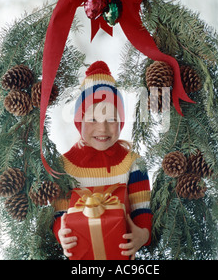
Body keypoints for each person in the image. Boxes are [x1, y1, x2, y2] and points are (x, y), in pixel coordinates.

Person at [52, 61, 152, 259]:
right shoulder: (64, 167)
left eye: (112, 119)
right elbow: (60, 217)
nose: (103, 129)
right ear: (79, 121)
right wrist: (61, 235)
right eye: (93, 119)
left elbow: (143, 213)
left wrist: (143, 235)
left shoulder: (133, 164)